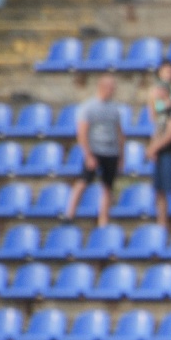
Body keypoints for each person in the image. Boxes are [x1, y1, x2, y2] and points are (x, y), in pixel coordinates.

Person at [65, 74, 123, 226]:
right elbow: (82, 132)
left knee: (108, 187)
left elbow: (119, 132)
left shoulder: (114, 109)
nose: (113, 90)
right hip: (95, 150)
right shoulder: (89, 107)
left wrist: (121, 155)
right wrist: (88, 154)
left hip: (111, 152)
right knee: (83, 181)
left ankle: (103, 220)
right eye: (111, 87)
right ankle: (70, 214)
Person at [146, 81, 171, 232]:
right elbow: (157, 130)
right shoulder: (162, 112)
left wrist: (154, 148)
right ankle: (162, 224)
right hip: (161, 155)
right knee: (160, 191)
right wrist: (153, 148)